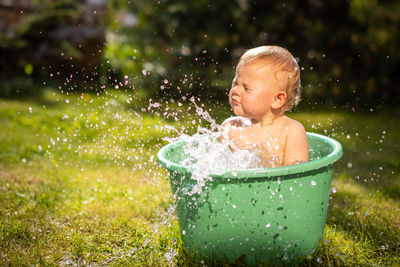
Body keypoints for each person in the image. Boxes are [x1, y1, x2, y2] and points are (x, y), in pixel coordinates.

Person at [219, 45, 309, 167]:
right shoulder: (230, 128)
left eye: (246, 88)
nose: (235, 90)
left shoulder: (291, 132)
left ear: (277, 99)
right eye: (235, 83)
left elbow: (297, 179)